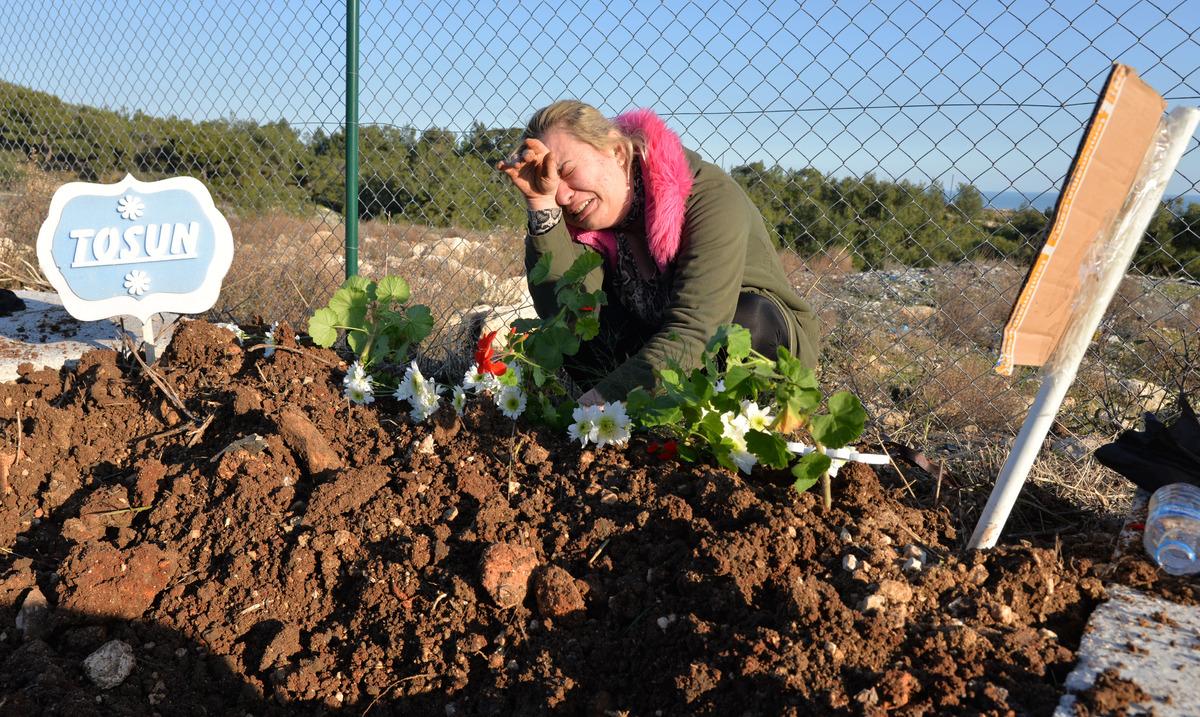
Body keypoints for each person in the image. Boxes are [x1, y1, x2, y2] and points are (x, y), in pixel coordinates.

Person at [497, 100, 819, 405]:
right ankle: (649, 421)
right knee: (581, 323)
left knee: (746, 321)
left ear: (619, 152)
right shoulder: (587, 221)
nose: (563, 196)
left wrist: (604, 398)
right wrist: (542, 208)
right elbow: (561, 314)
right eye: (552, 183)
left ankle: (743, 420)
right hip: (673, 357)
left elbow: (698, 328)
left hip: (757, 344)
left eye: (566, 171)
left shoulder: (709, 198)